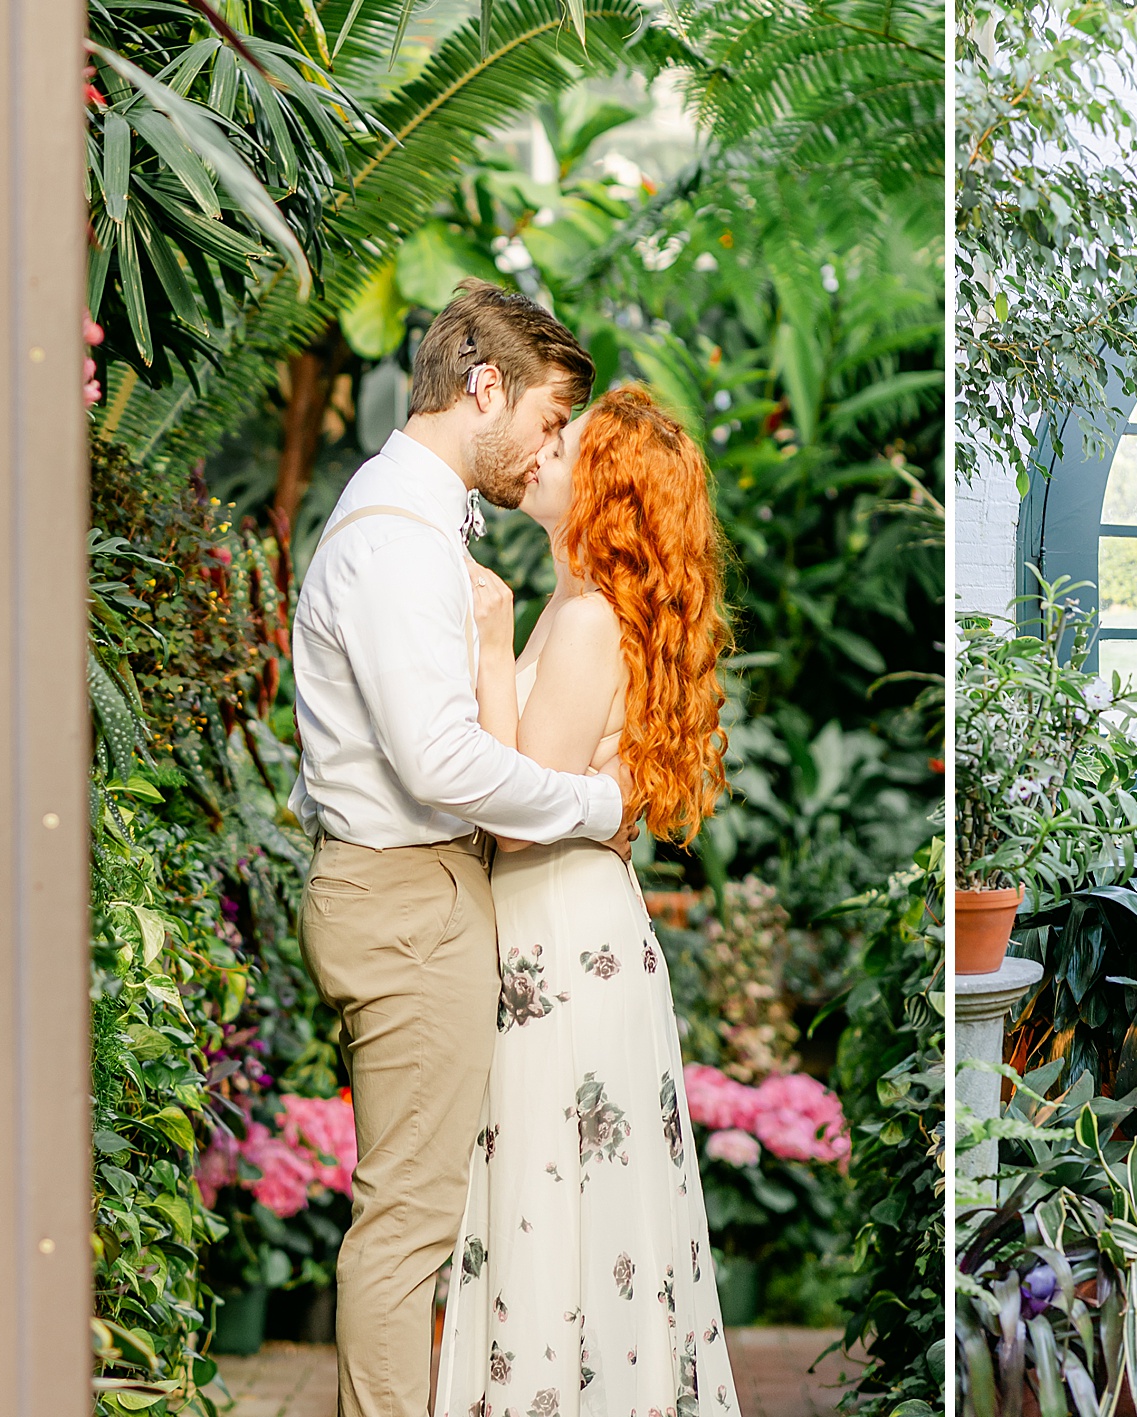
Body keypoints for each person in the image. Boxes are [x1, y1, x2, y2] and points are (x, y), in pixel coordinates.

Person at [291, 280, 632, 1417]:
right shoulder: (395, 537)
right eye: (544, 420)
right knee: (410, 1226)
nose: (545, 449)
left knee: (417, 1215)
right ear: (484, 386)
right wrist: (594, 807)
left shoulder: (417, 519)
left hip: (412, 892)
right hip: (405, 897)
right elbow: (439, 763)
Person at [433, 385, 740, 1417]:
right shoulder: (603, 614)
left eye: (566, 443)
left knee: (548, 1208)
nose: (542, 449)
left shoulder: (583, 622)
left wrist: (488, 642)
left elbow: (517, 813)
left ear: (603, 490)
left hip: (558, 943)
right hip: (581, 931)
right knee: (583, 1216)